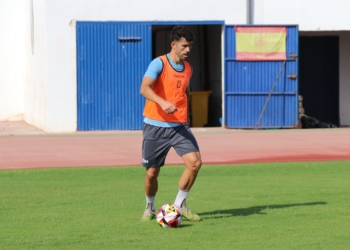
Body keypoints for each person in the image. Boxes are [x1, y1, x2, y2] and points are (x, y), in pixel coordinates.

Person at [139, 26, 202, 222]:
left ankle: (179, 205)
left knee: (195, 163)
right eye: (184, 46)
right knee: (151, 173)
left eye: (190, 46)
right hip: (155, 125)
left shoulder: (188, 68)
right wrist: (162, 102)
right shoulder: (159, 63)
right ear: (173, 44)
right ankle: (150, 207)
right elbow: (144, 88)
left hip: (179, 126)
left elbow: (181, 93)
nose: (188, 50)